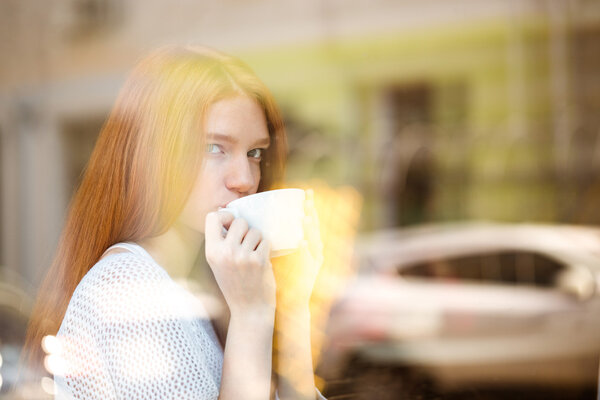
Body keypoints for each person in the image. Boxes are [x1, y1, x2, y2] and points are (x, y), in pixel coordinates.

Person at [22, 45, 325, 399]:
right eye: (215, 148)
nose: (244, 178)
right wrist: (252, 315)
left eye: (254, 153)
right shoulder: (127, 290)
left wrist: (295, 304)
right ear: (158, 154)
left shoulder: (209, 287)